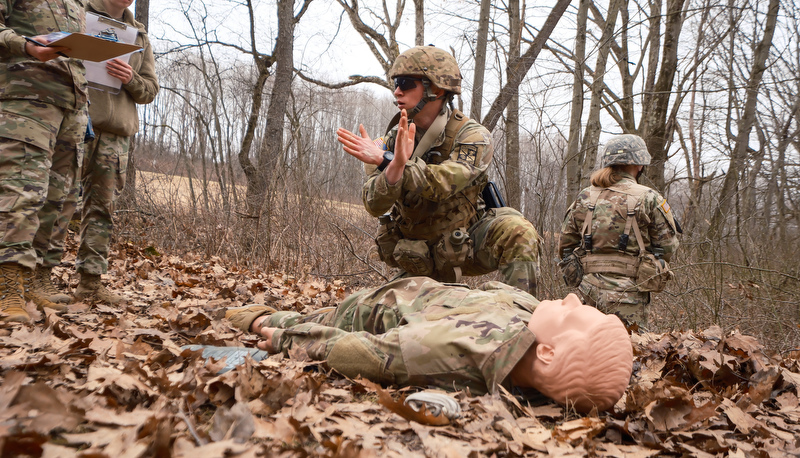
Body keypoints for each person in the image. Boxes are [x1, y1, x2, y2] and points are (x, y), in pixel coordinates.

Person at [223, 277, 634, 413]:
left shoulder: (453, 350)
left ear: (546, 351)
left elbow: (356, 351)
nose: (572, 299)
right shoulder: (532, 320)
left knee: (298, 318)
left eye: (571, 313)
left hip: (369, 308)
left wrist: (276, 330)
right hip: (421, 291)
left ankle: (251, 312)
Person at [337, 45, 541, 295]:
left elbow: (443, 184)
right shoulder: (390, 141)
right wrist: (391, 167)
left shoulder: (473, 136)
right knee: (389, 320)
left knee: (518, 232)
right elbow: (374, 205)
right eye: (396, 83)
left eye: (406, 83)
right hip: (417, 251)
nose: (397, 91)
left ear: (436, 89)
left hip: (465, 242)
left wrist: (390, 162)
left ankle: (522, 316)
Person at [34, 0, 158, 305]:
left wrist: (131, 78)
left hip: (117, 134)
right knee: (58, 199)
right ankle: (38, 277)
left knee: (102, 210)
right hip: (76, 120)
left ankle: (90, 283)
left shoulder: (139, 35)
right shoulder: (80, 15)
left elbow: (151, 90)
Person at [0, 0, 89, 323]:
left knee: (56, 199)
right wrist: (24, 45)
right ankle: (7, 286)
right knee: (22, 193)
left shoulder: (77, 3)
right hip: (25, 101)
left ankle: (35, 280)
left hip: (71, 107)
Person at [559, 134, 680, 329]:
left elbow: (565, 246)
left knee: (589, 349)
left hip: (588, 292)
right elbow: (667, 249)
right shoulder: (649, 198)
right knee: (628, 351)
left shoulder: (585, 197)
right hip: (629, 294)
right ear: (639, 164)